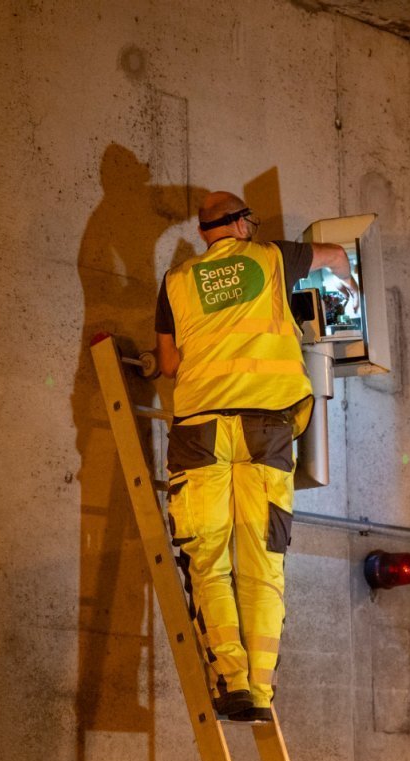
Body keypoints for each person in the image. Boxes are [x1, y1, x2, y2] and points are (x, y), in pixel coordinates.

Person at [154, 191, 356, 722]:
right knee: (263, 563)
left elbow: (169, 364)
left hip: (199, 433)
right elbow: (337, 256)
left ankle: (232, 684)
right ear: (242, 224)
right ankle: (261, 694)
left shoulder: (175, 281)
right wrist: (348, 285)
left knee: (207, 560)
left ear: (205, 233)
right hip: (266, 431)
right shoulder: (272, 257)